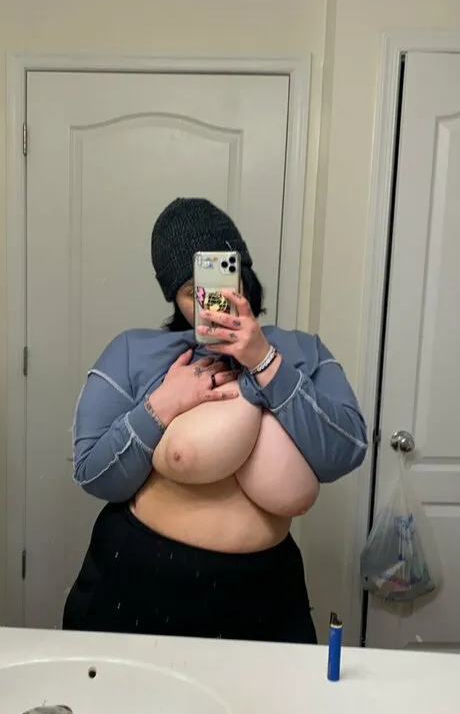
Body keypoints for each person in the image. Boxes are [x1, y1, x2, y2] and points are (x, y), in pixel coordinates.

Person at [63, 198, 368, 642]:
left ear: (243, 272)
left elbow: (347, 451)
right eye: (192, 291)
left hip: (266, 594)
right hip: (140, 582)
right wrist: (162, 405)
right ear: (174, 298)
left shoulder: (301, 350)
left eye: (224, 278)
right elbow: (93, 473)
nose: (211, 301)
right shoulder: (134, 350)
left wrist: (264, 362)